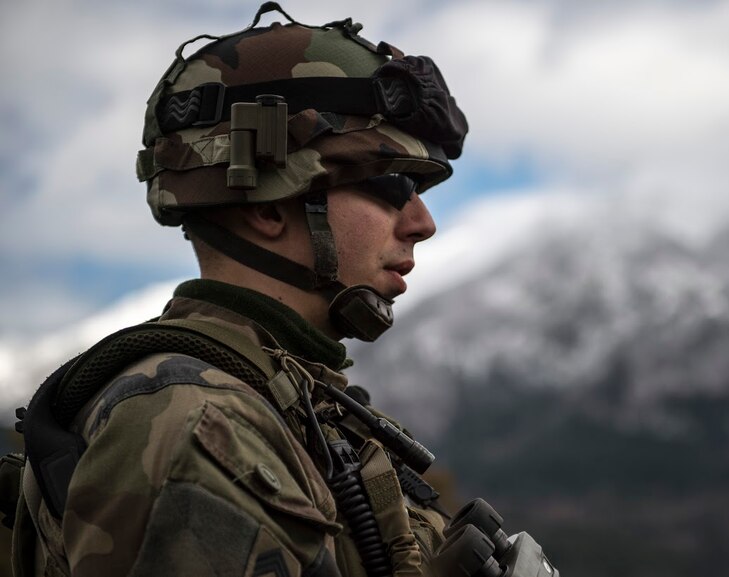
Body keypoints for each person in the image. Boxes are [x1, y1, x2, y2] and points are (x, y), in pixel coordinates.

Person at [14, 3, 470, 575]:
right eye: (394, 182)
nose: (422, 223)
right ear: (272, 207)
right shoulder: (197, 426)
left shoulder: (284, 401)